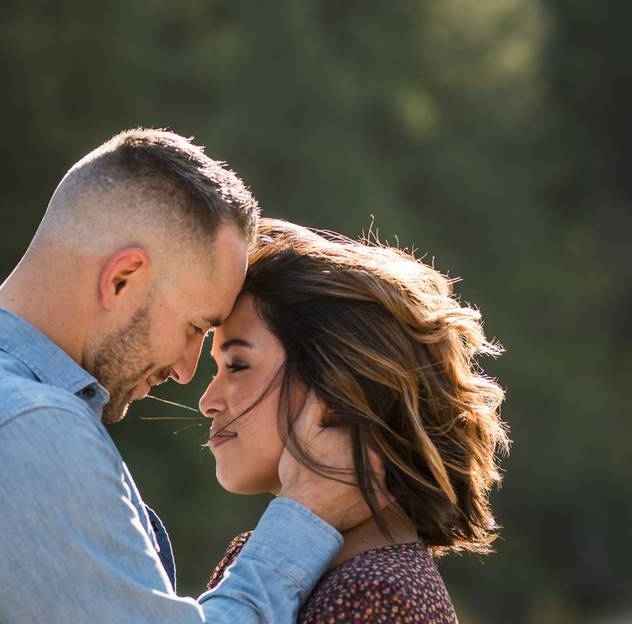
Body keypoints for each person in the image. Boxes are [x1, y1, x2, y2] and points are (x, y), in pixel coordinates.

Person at [0, 130, 370, 623]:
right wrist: (307, 514)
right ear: (123, 279)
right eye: (194, 327)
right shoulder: (21, 427)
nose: (188, 370)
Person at [201, 219, 510, 623]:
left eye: (237, 365)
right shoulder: (305, 570)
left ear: (334, 390)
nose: (208, 401)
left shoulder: (375, 596)